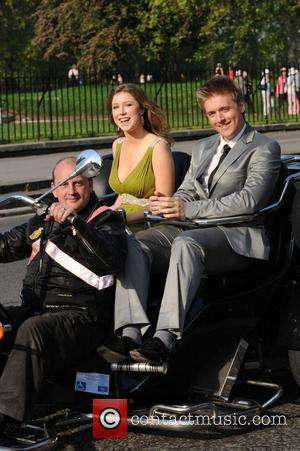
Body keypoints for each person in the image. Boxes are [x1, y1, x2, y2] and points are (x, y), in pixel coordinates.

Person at [99, 76, 281, 365]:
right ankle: (130, 333)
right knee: (133, 243)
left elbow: (249, 202)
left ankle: (165, 338)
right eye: (212, 113)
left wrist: (188, 210)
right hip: (190, 228)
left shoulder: (264, 147)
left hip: (235, 236)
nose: (219, 119)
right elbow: (188, 190)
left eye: (225, 110)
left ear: (241, 106)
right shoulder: (204, 147)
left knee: (186, 243)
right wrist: (172, 204)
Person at [0, 156, 127, 430]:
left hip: (83, 318)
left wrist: (76, 224)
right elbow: (5, 245)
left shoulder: (106, 220)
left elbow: (111, 260)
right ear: (53, 188)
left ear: (90, 185)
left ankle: (5, 419)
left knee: (33, 329)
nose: (71, 191)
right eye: (64, 184)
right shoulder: (41, 222)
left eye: (79, 183)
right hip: (36, 312)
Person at [107, 83, 175, 228]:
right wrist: (107, 213)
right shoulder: (117, 145)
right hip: (119, 223)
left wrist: (124, 219)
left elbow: (163, 205)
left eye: (128, 105)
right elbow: (124, 195)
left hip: (148, 225)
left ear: (142, 109)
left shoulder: (158, 146)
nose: (122, 112)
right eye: (116, 107)